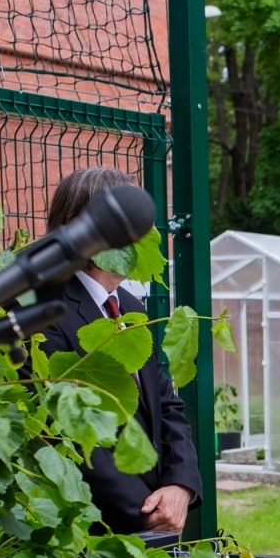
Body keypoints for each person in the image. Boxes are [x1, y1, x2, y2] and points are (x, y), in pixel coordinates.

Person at [38, 166, 200, 535]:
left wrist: (180, 486)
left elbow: (166, 406)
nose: (146, 234)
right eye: (132, 219)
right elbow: (63, 431)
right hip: (93, 531)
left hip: (157, 519)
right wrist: (145, 512)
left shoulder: (130, 307)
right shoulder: (44, 310)